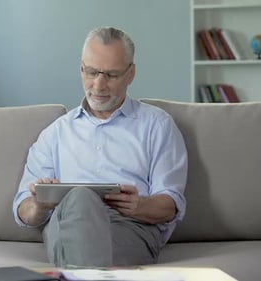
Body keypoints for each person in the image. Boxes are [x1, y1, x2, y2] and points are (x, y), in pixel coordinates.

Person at [12, 26, 188, 267]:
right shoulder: (55, 133)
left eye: (111, 75)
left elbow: (171, 203)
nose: (99, 85)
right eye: (92, 72)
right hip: (67, 225)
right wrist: (40, 205)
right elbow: (24, 211)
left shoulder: (157, 125)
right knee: (80, 199)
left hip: (129, 228)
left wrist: (140, 206)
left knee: (80, 229)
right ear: (81, 69)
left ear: (131, 74)